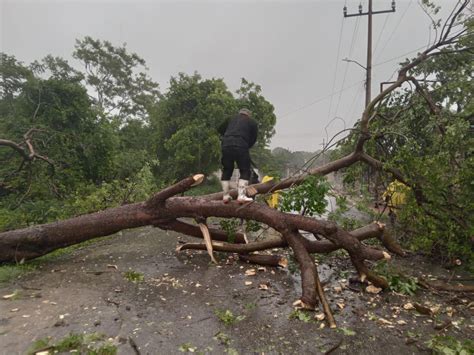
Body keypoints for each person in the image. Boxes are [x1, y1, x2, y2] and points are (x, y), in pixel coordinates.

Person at [220, 108, 258, 203]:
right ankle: (241, 196)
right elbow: (253, 138)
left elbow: (220, 129)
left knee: (227, 169)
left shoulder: (230, 119)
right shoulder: (252, 122)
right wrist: (246, 145)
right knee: (245, 170)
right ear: (248, 115)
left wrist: (227, 137)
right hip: (241, 145)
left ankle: (225, 196)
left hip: (225, 145)